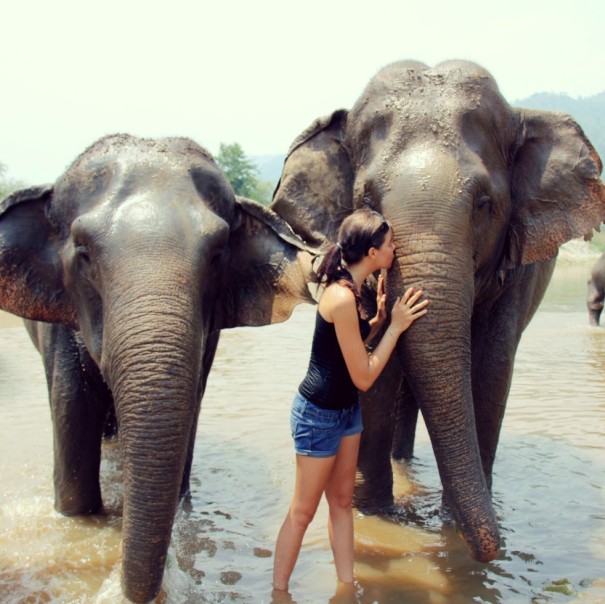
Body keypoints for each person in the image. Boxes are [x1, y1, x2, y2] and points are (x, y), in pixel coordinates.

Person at [272, 208, 429, 593]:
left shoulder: (352, 291)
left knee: (342, 502)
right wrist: (394, 325)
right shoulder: (341, 297)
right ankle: (279, 593)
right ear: (373, 253)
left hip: (345, 413)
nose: (395, 251)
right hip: (318, 416)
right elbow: (363, 375)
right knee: (303, 512)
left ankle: (346, 589)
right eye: (390, 245)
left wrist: (374, 323)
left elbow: (350, 348)